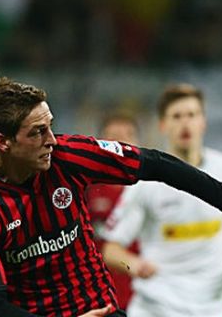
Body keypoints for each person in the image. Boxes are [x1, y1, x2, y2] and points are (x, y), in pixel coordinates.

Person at [0, 77, 222, 317]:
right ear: (3, 142)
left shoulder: (68, 155)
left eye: (50, 126)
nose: (51, 139)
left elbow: (154, 163)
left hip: (103, 311)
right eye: (38, 132)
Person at [101, 83, 222, 317]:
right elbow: (111, 249)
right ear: (163, 124)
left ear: (203, 122)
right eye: (177, 116)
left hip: (213, 308)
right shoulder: (145, 183)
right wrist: (134, 264)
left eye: (192, 115)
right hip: (157, 307)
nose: (185, 123)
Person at [85, 111, 141, 310]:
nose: (120, 144)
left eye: (127, 136)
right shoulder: (84, 190)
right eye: (112, 138)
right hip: (99, 299)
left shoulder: (151, 191)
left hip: (145, 296)